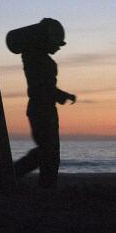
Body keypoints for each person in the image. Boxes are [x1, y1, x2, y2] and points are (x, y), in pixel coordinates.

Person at [13, 18, 75, 188]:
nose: (58, 47)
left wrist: (61, 95)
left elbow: (46, 87)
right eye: (56, 43)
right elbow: (43, 87)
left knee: (49, 151)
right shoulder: (36, 58)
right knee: (48, 151)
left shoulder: (35, 57)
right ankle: (11, 175)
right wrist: (63, 95)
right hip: (41, 109)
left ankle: (44, 186)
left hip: (44, 108)